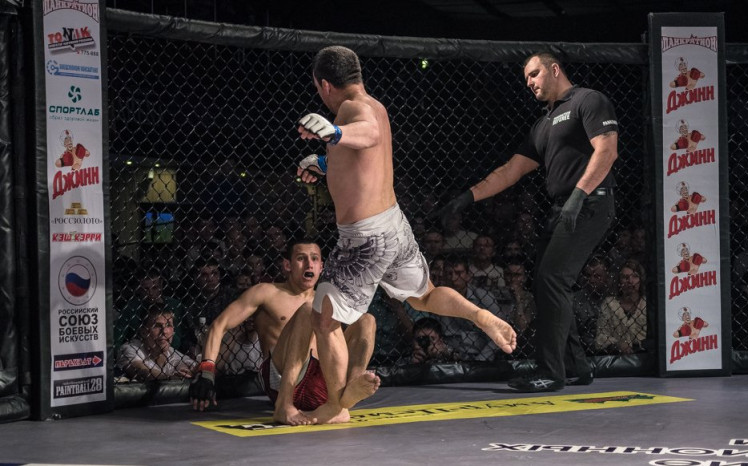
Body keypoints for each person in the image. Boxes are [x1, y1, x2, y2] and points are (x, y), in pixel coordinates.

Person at [295, 45, 516, 423]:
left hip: (364, 238)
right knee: (424, 296)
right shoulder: (376, 105)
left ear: (324, 85)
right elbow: (362, 157)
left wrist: (335, 130)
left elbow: (366, 133)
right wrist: (323, 163)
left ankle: (336, 404)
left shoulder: (353, 110)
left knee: (325, 318)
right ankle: (480, 315)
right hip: (394, 226)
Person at [439, 50, 618, 391]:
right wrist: (467, 197)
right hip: (563, 206)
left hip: (591, 202)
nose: (530, 83)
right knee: (548, 283)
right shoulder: (543, 124)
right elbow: (511, 170)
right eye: (526, 79)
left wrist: (578, 196)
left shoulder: (588, 100)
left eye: (535, 74)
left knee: (552, 279)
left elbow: (607, 150)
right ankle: (575, 366)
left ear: (554, 69)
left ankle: (551, 372)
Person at [189, 240, 380, 425]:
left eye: (314, 259)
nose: (309, 264)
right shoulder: (266, 292)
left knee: (366, 320)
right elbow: (219, 325)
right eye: (301, 258)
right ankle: (285, 404)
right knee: (309, 310)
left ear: (321, 267)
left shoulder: (330, 299)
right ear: (288, 265)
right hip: (283, 380)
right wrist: (207, 371)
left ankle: (345, 396)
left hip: (326, 382)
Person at [117, 308, 196, 382]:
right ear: (143, 332)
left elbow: (193, 368)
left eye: (168, 325)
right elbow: (141, 371)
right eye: (157, 326)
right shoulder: (131, 348)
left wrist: (192, 372)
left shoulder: (174, 353)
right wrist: (171, 379)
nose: (164, 331)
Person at [594, 259, 647, 355]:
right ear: (619, 281)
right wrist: (617, 344)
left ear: (641, 280)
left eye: (635, 276)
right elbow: (601, 337)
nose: (630, 281)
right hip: (616, 356)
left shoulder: (647, 304)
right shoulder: (609, 304)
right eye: (625, 277)